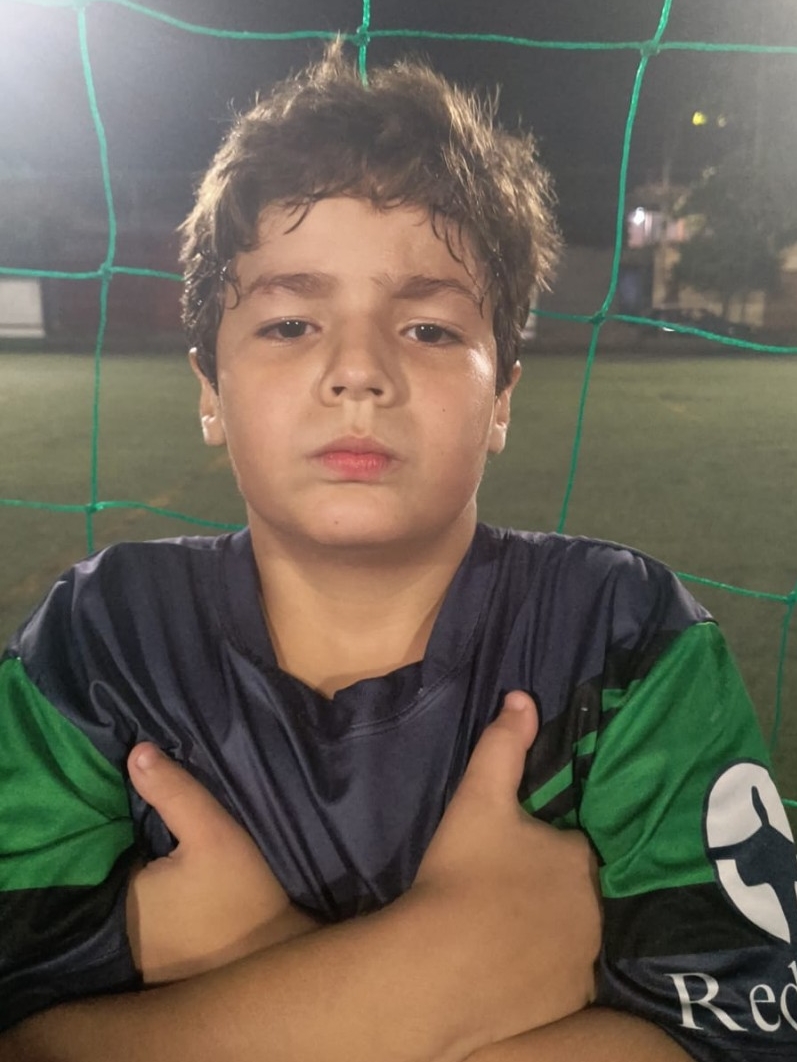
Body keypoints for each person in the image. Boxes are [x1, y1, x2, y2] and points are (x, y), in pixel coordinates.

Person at [1, 43, 795, 1062]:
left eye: (426, 329)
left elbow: (738, 1036)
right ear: (209, 390)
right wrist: (446, 961)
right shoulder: (99, 646)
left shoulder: (627, 641)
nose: (358, 370)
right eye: (290, 322)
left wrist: (245, 978)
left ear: (501, 396)